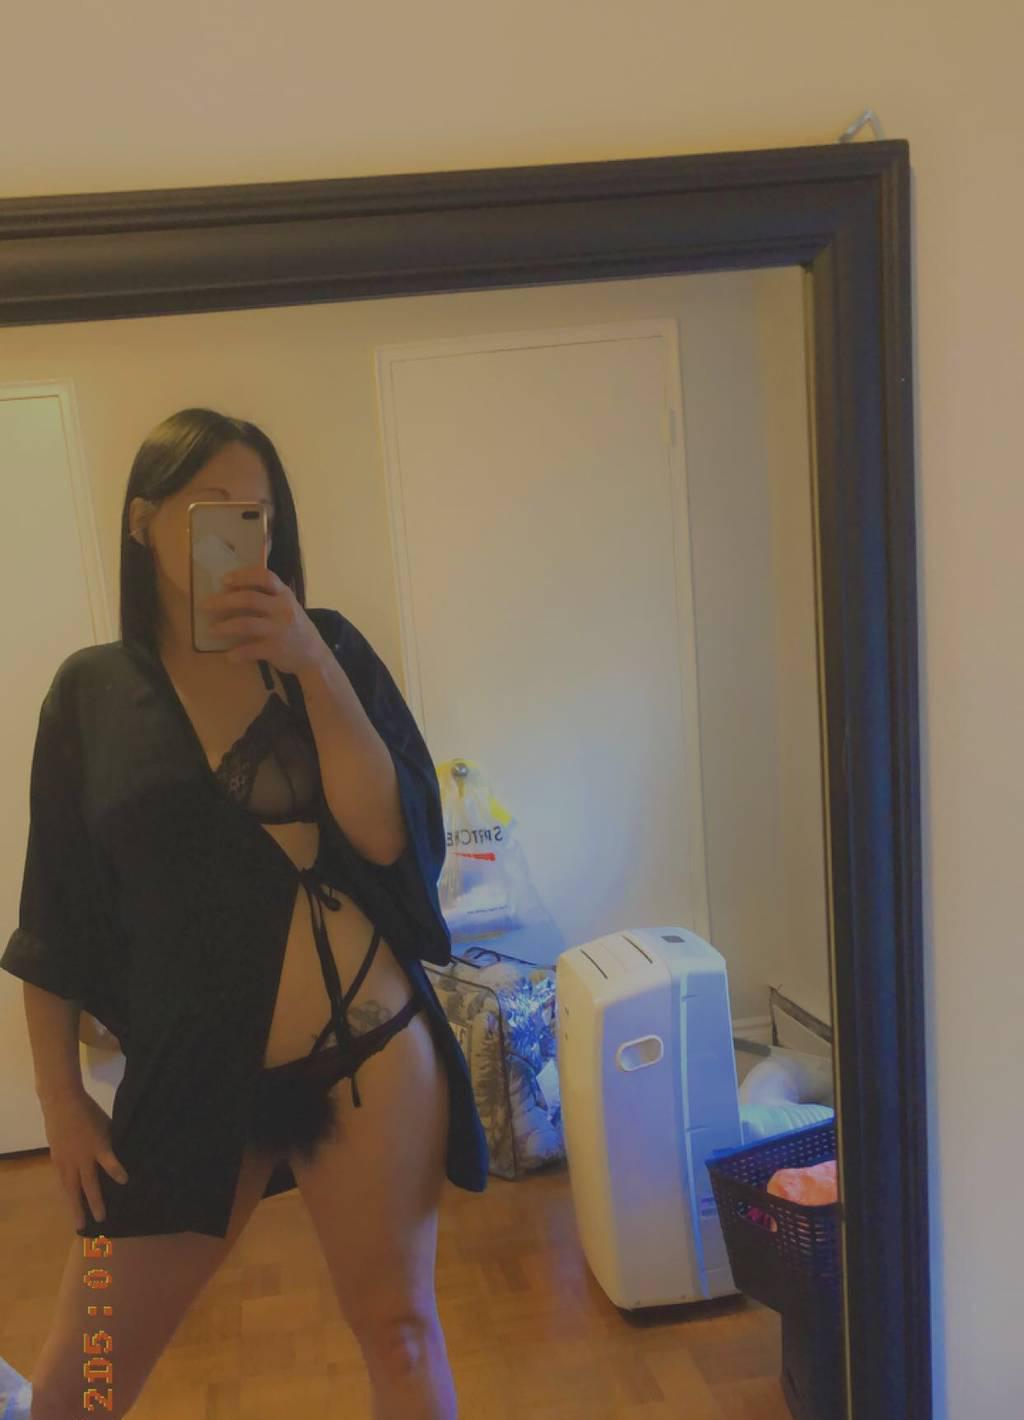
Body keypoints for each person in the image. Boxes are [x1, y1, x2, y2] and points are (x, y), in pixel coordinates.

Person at [5, 408, 487, 1420]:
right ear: (144, 521)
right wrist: (59, 1100)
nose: (242, 532)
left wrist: (312, 663)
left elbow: (388, 837)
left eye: (258, 513)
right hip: (191, 1067)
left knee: (402, 1334)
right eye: (213, 507)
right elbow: (54, 904)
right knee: (80, 1378)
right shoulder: (93, 691)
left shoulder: (326, 647)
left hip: (368, 1045)